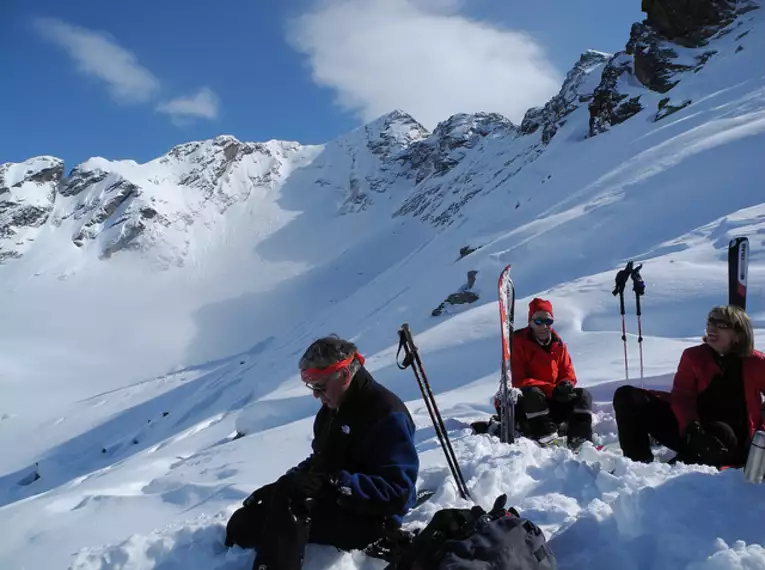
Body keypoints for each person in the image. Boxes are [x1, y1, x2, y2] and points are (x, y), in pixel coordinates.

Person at [225, 336, 420, 570]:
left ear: (345, 376)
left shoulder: (386, 415)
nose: (316, 395)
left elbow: (397, 492)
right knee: (244, 524)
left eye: (320, 386)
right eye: (312, 386)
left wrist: (336, 481)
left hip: (373, 516)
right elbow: (321, 460)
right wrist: (281, 486)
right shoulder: (331, 410)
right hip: (338, 501)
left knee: (292, 502)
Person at [613, 305, 765, 467]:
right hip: (693, 432)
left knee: (719, 431)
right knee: (627, 396)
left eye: (721, 325)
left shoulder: (756, 363)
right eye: (710, 322)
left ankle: (677, 471)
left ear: (738, 336)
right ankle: (638, 466)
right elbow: (682, 396)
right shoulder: (693, 356)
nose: (712, 328)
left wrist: (760, 433)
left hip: (730, 441)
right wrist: (691, 428)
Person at [506, 298, 593, 448]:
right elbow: (517, 380)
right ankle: (545, 435)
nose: (544, 326)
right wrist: (552, 390)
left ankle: (580, 439)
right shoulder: (518, 342)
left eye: (548, 321)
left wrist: (566, 385)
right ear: (530, 322)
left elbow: (568, 372)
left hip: (552, 398)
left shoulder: (558, 344)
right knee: (532, 393)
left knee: (583, 395)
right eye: (538, 321)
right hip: (526, 403)